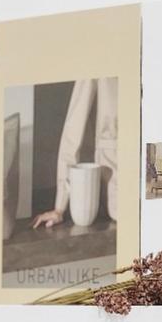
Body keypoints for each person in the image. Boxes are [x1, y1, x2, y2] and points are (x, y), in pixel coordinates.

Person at [33, 77, 118, 228]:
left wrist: (161, 189)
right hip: (119, 184)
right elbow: (73, 131)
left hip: (157, 181)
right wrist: (60, 206)